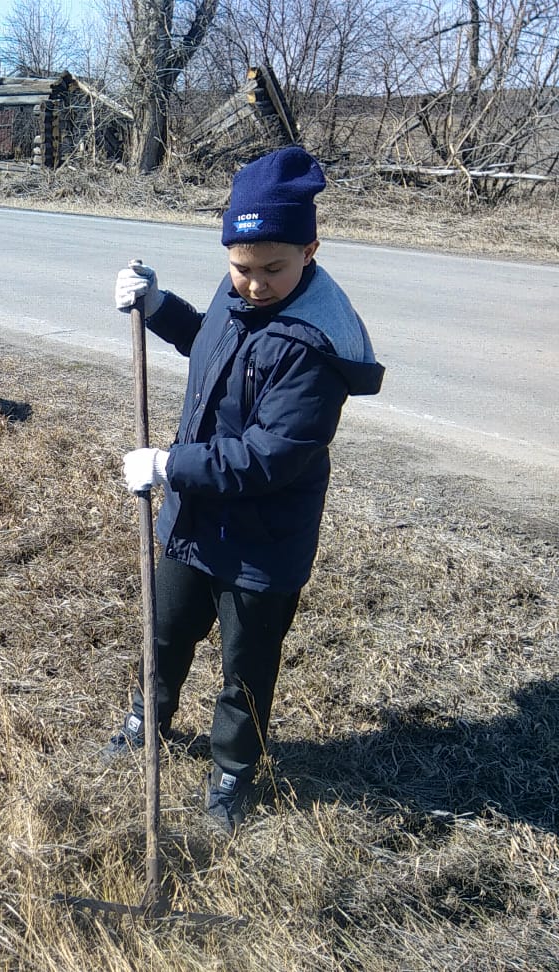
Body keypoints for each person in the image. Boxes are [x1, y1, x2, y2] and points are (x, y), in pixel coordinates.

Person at [107, 147, 384, 833]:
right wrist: (159, 305)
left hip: (264, 544)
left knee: (245, 667)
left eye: (272, 269)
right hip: (196, 522)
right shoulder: (239, 296)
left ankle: (232, 769)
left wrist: (171, 466)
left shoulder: (313, 347)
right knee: (166, 632)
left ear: (310, 250)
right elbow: (212, 346)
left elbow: (269, 457)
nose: (254, 284)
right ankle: (148, 715)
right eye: (241, 266)